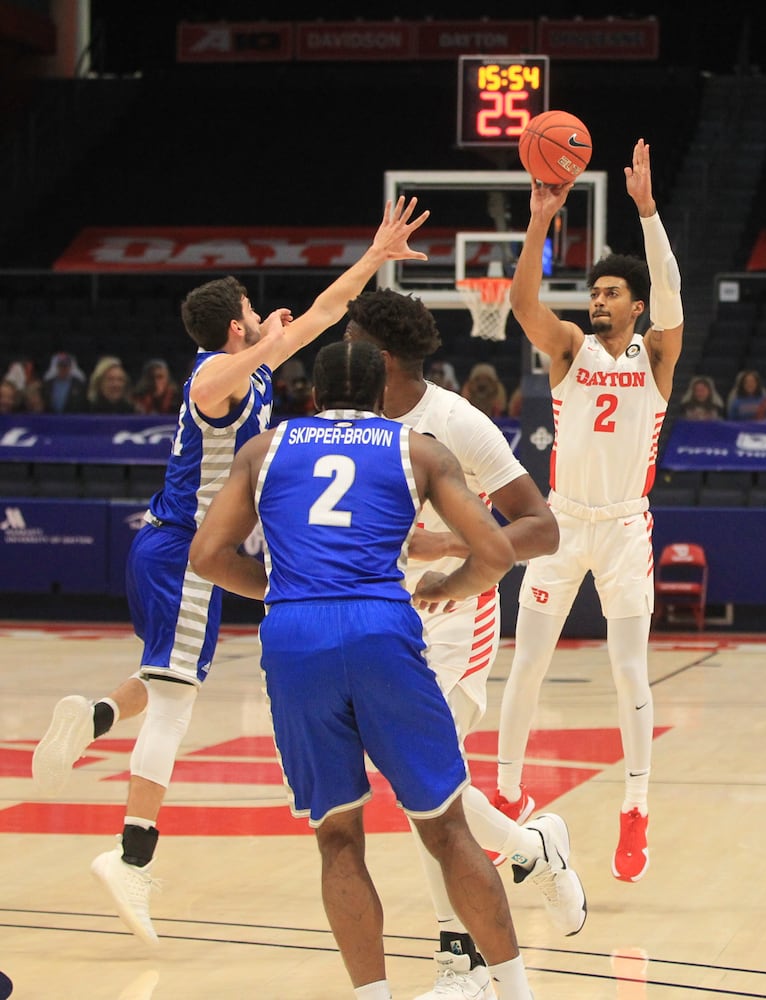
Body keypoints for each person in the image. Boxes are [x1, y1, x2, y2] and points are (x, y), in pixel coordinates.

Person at [31, 196, 431, 945]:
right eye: (252, 312)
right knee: (178, 705)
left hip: (185, 555)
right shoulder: (214, 375)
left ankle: (93, 718)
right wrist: (266, 344)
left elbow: (319, 313)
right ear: (233, 325)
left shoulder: (243, 369)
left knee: (168, 681)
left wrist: (374, 259)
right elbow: (228, 375)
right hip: (183, 551)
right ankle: (130, 857)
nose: (264, 316)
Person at [188, 338, 537, 1000]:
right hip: (381, 627)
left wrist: (284, 589)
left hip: (296, 639)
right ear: (383, 395)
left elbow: (207, 555)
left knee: (339, 837)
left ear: (312, 394)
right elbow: (496, 550)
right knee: (446, 828)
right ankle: (517, 993)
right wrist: (450, 584)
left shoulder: (264, 451)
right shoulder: (418, 449)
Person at [343, 288, 585, 1000]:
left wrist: (453, 549)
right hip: (385, 621)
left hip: (459, 612)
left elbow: (542, 528)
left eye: (352, 341)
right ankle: (533, 848)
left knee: (428, 788)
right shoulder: (351, 422)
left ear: (380, 357)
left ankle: (463, 967)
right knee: (426, 790)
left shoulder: (456, 422)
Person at [493, 139, 685, 884]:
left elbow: (671, 303)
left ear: (634, 307)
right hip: (561, 523)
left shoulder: (656, 358)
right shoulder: (571, 349)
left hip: (625, 528)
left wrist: (647, 212)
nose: (597, 300)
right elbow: (520, 305)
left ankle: (636, 807)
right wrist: (540, 221)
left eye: (611, 293)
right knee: (529, 662)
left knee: (628, 668)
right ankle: (508, 795)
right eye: (594, 291)